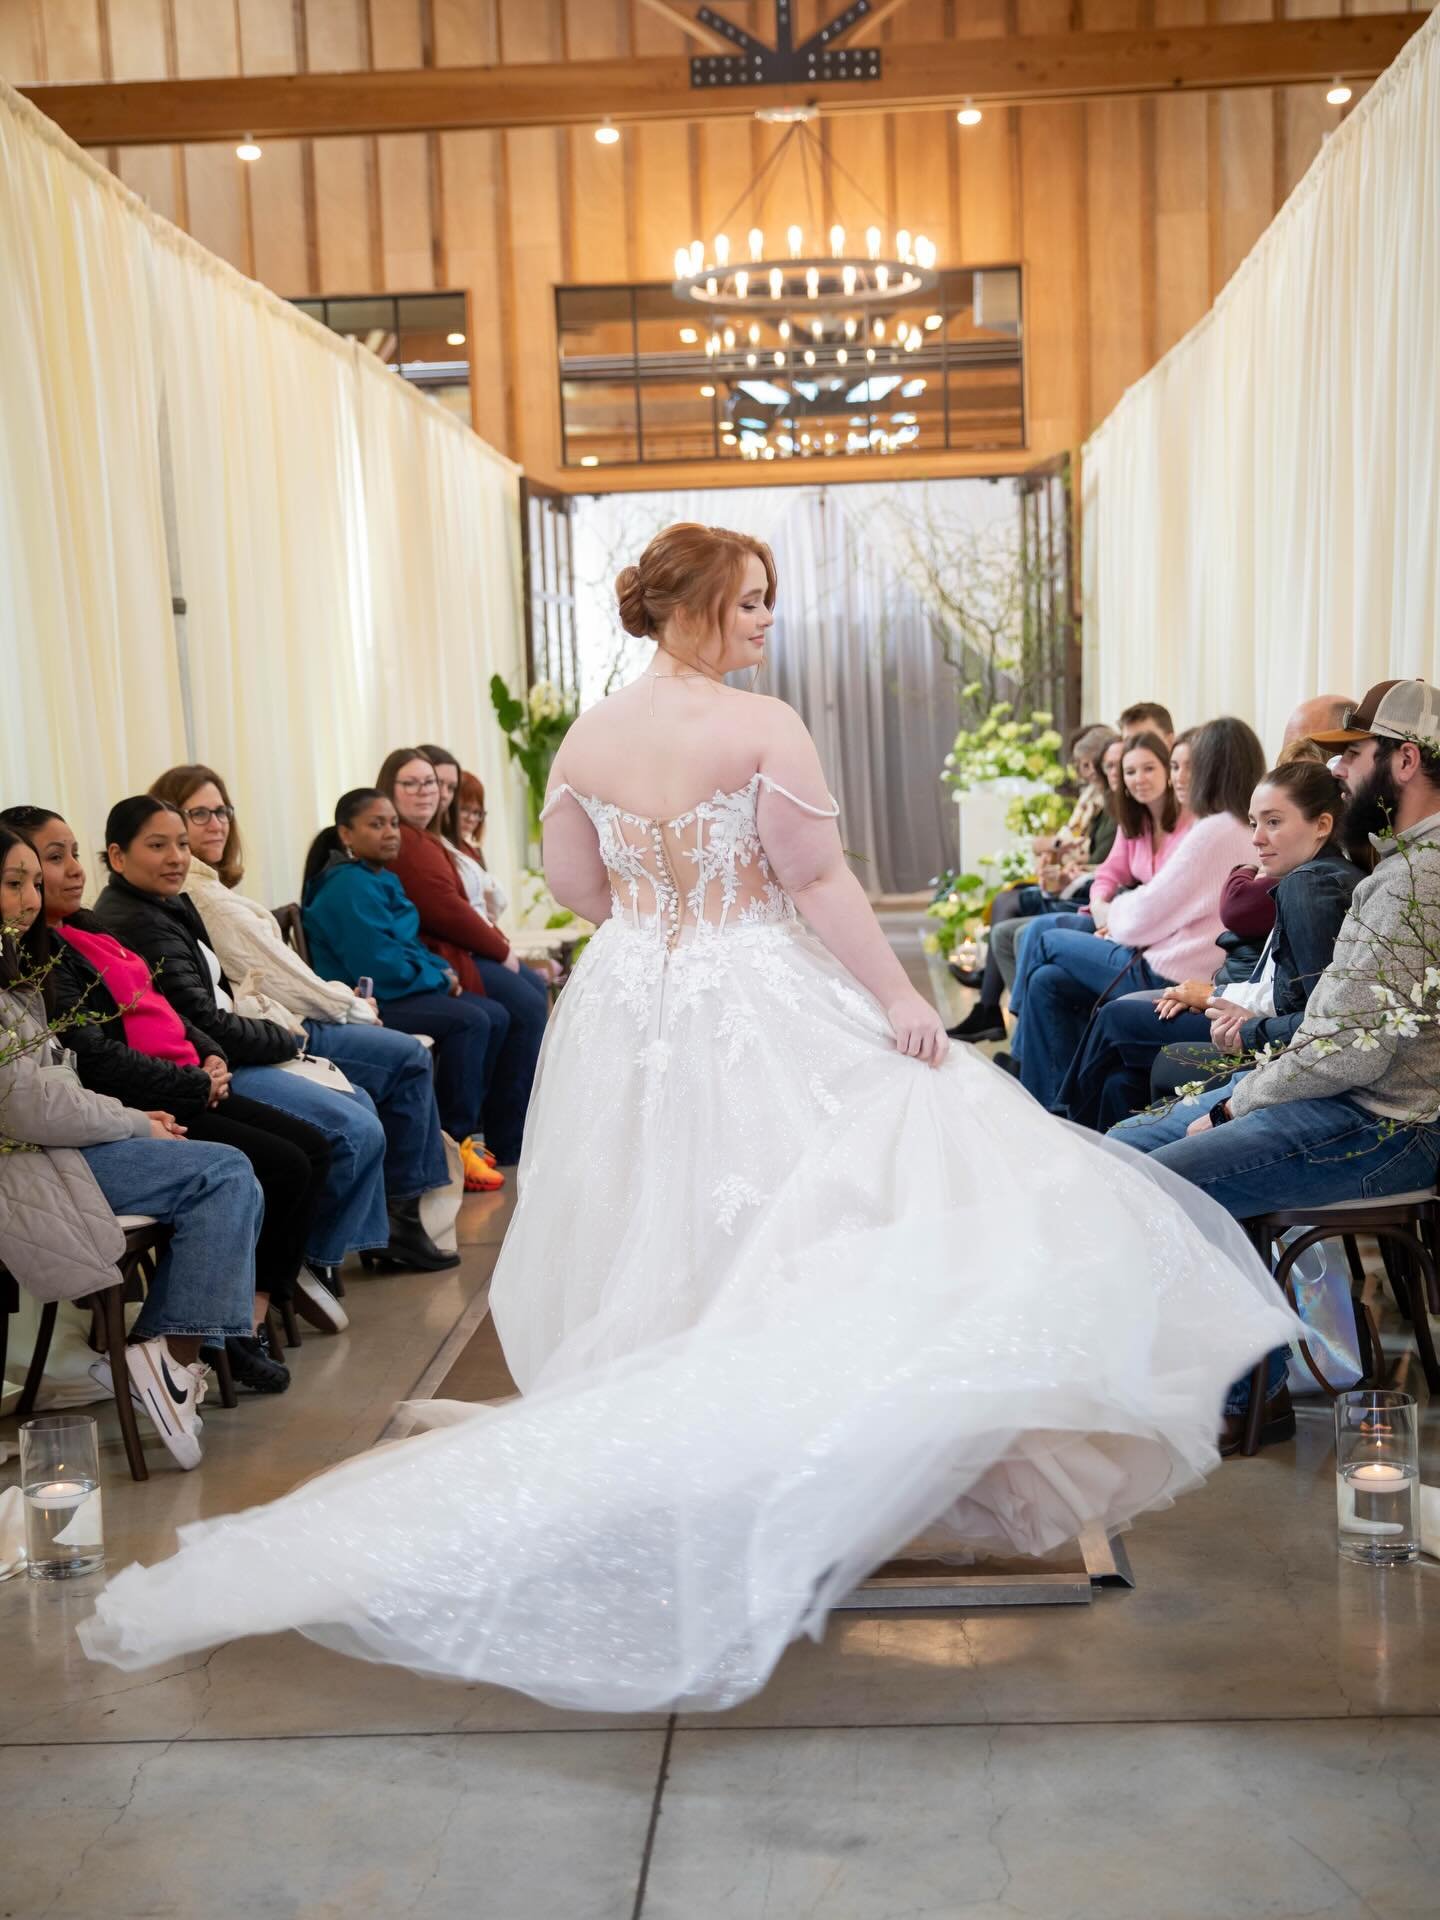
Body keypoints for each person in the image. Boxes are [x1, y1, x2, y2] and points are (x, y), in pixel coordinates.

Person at [79, 522, 1296, 1709]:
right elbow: (816, 878)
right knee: (830, 1191)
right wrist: (893, 996)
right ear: (699, 605)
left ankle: (702, 1470)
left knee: (661, 1222)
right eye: (752, 600)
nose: (767, 620)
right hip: (752, 985)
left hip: (634, 1003)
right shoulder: (762, 726)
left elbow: (578, 887)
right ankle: (794, 1463)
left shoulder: (590, 737)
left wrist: (666, 929)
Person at [1140, 681, 1440, 1447]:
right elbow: (1336, 1032)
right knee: (1132, 1147)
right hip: (1353, 1094)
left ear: (1404, 762)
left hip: (1385, 1123)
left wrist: (1235, 1104)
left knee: (1165, 1178)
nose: (1341, 773)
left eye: (1356, 756)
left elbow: (1352, 1047)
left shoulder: (1417, 879)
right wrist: (1245, 1090)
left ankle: (1248, 1391)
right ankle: (1224, 1376)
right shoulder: (1403, 866)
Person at [1, 807, 330, 1394]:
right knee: (242, 1170)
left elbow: (171, 1011)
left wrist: (208, 1058)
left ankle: (194, 1342)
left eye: (62, 860)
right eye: (20, 879)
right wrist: (147, 1112)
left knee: (302, 1149)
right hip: (63, 1140)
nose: (46, 886)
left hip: (128, 1106)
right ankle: (179, 1352)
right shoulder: (45, 958)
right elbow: (66, 1080)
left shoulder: (82, 934)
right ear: (120, 855)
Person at [0, 824, 261, 1465]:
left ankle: (163, 1358)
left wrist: (133, 1114)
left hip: (57, 1145)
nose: (31, 898)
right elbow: (28, 1105)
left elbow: (59, 1086)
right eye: (14, 883)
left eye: (33, 882)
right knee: (225, 1172)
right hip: (27, 1163)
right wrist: (135, 1123)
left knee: (238, 1167)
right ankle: (168, 1358)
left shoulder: (21, 967)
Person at [90, 797, 392, 1331]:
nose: (177, 856)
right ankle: (264, 1295)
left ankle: (289, 1271)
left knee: (356, 1108)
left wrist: (214, 1052)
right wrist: (269, 1043)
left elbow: (190, 1011)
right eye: (158, 845)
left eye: (181, 844)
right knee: (328, 1138)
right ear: (118, 856)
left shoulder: (168, 904)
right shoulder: (132, 920)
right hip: (189, 1079)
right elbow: (162, 1026)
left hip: (211, 1061)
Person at [148, 766, 458, 1273]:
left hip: (279, 1020)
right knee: (407, 1057)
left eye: (221, 811)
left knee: (441, 1039)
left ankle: (388, 1221)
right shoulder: (201, 895)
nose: (216, 824)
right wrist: (350, 1006)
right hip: (273, 1030)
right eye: (198, 814)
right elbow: (283, 979)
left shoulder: (213, 888)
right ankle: (363, 1236)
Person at [1063, 762, 1358, 1130]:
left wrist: (1217, 1000)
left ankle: (1067, 1128)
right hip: (1241, 1006)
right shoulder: (1309, 876)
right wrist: (1214, 995)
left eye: (1273, 822)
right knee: (1117, 1079)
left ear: (1322, 825)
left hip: (1269, 1044)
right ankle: (1088, 1140)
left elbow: (1317, 1021)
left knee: (1099, 1000)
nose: (1256, 838)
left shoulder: (1309, 885)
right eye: (1254, 823)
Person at [1011, 719, 1265, 1109]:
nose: (1181, 776)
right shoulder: (1240, 827)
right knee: (1047, 980)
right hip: (1168, 955)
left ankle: (1029, 1078)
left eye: (1187, 765)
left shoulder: (1214, 830)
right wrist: (1115, 915)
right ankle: (1048, 1106)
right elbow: (1142, 898)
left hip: (1166, 970)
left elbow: (1142, 916)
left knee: (1043, 938)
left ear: (1209, 768)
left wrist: (1109, 915)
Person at [301, 789, 505, 1193]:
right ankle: (453, 1142)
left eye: (393, 823)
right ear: (346, 833)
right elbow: (379, 966)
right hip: (370, 1003)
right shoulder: (346, 887)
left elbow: (407, 947)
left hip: (399, 989)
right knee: (470, 1022)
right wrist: (440, 980)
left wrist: (441, 971)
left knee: (493, 1015)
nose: (391, 833)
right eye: (376, 824)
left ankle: (466, 1137)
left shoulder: (377, 877)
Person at [381, 749, 540, 1170]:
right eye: (411, 784)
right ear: (389, 789)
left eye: (431, 784)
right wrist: (500, 950)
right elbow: (445, 909)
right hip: (440, 956)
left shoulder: (430, 838)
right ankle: (503, 1139)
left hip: (453, 950)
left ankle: (508, 1134)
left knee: (528, 995)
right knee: (521, 1005)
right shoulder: (409, 842)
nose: (426, 792)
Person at [1003, 730, 1187, 1075]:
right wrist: (1101, 906)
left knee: (1042, 936)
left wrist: (1114, 923)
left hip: (1149, 944)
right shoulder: (1135, 822)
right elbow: (1107, 873)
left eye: (1149, 768)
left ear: (1167, 770)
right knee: (1044, 977)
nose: (1139, 779)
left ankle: (1019, 1052)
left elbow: (1162, 907)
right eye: (1130, 772)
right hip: (1121, 923)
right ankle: (1049, 1096)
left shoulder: (1188, 828)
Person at [948, 725, 1118, 1044]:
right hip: (1083, 888)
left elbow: (1103, 863)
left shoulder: (1116, 806)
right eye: (1105, 766)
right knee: (1006, 904)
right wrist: (1057, 857)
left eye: (1093, 764)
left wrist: (1066, 869)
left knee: (1012, 919)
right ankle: (1003, 1017)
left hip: (1088, 895)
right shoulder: (1099, 799)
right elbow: (1081, 852)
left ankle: (1008, 1021)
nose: (1089, 772)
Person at [419, 742, 554, 1013]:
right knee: (523, 1004)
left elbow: (483, 907)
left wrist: (500, 945)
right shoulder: (425, 844)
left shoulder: (462, 847)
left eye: (450, 788)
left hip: (476, 943)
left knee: (535, 991)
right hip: (456, 952)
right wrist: (501, 951)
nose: (442, 795)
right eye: (437, 784)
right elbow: (452, 910)